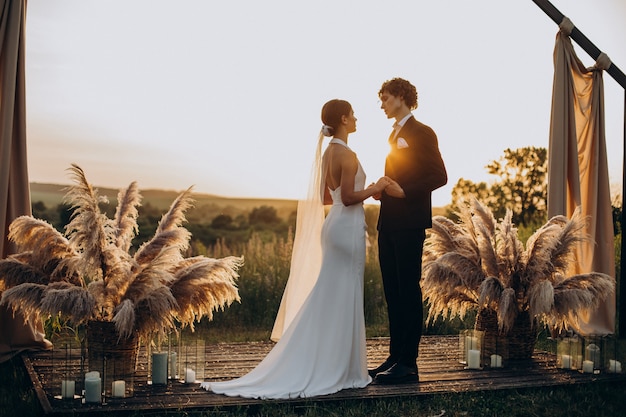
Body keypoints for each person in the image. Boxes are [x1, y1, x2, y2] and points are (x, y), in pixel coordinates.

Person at [201, 99, 389, 399]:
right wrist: (376, 187)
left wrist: (355, 195)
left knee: (330, 293)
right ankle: (343, 368)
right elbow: (352, 198)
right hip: (347, 229)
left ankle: (331, 361)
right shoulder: (348, 154)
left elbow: (326, 198)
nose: (356, 119)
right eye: (352, 114)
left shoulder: (328, 153)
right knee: (343, 295)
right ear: (343, 118)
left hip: (333, 227)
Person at [369, 78, 448, 384]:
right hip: (388, 222)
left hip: (409, 222)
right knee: (393, 292)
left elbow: (439, 175)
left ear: (401, 97)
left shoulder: (422, 132)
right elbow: (400, 172)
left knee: (408, 292)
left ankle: (409, 365)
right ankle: (394, 356)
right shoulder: (394, 135)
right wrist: (384, 188)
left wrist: (405, 192)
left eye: (386, 98)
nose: (382, 105)